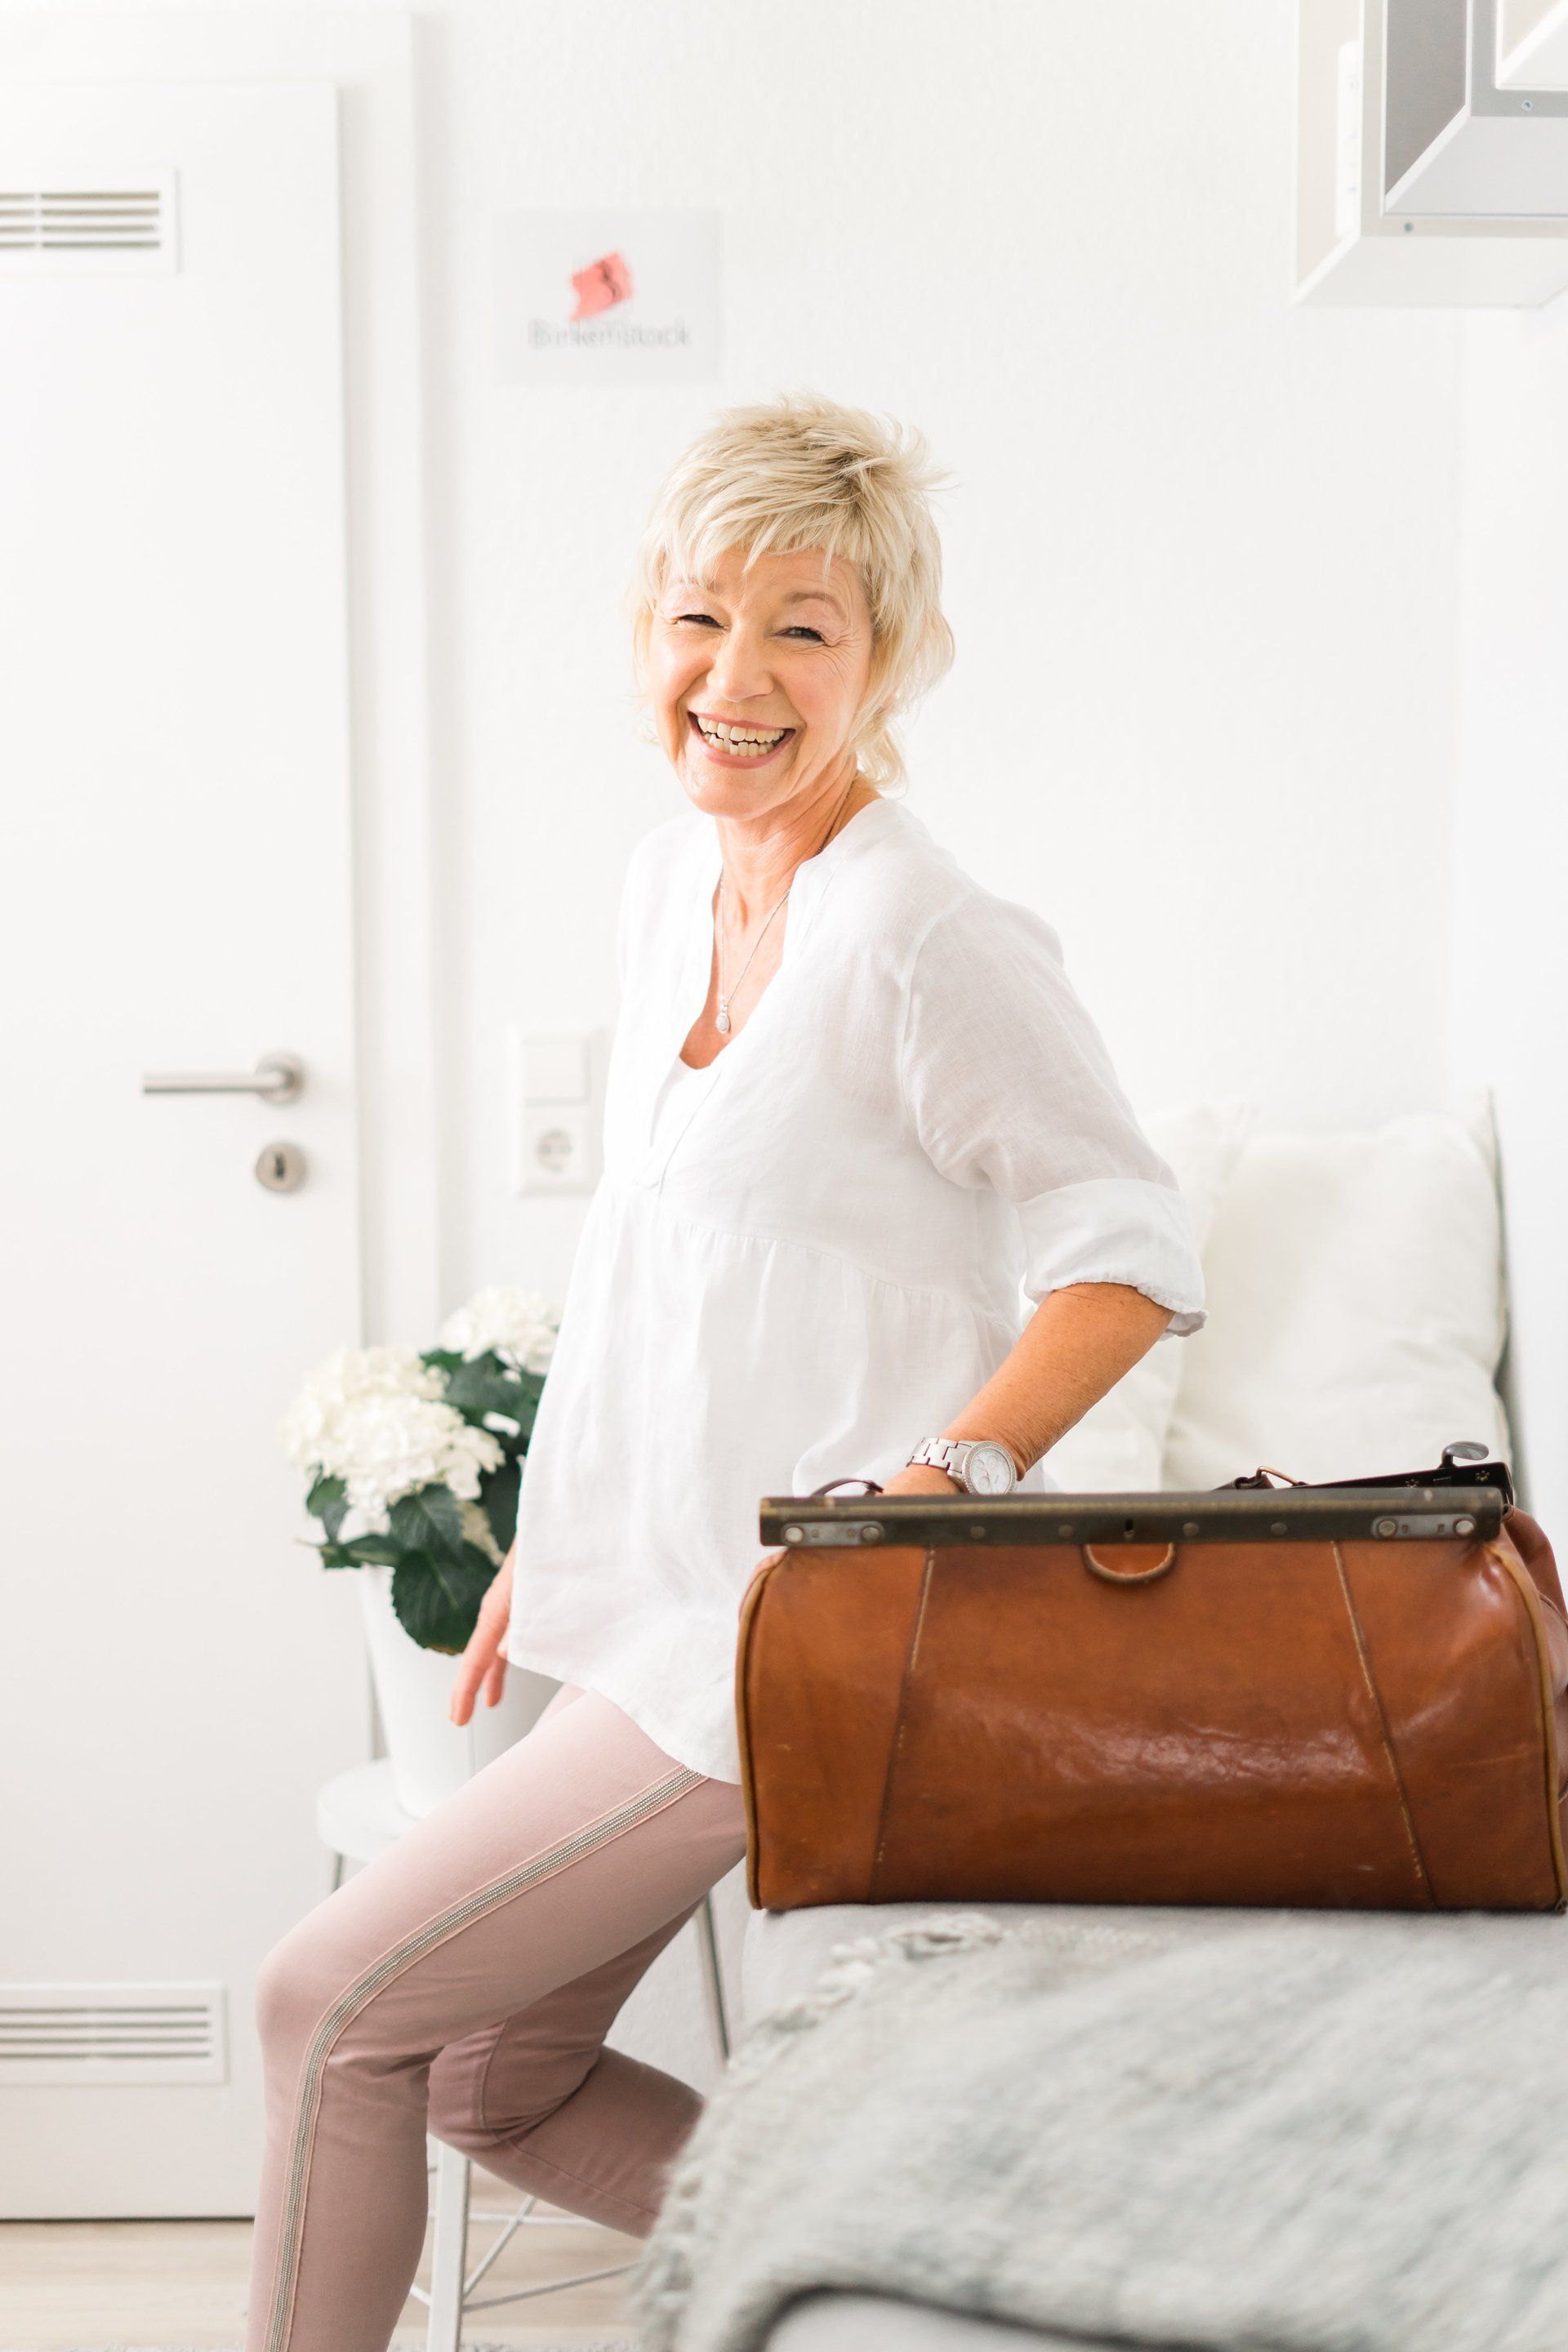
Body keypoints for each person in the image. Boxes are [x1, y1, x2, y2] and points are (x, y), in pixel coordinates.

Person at [244, 393, 1205, 2352]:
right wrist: (557, 1528)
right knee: (491, 2082)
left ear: (887, 661)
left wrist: (934, 1491)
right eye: (700, 617)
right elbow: (656, 1258)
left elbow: (1131, 1257)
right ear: (645, 633)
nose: (737, 675)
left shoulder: (925, 934)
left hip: (775, 1643)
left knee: (320, 2010)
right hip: (644, 1600)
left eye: (803, 628)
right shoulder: (668, 884)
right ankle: (937, 2284)